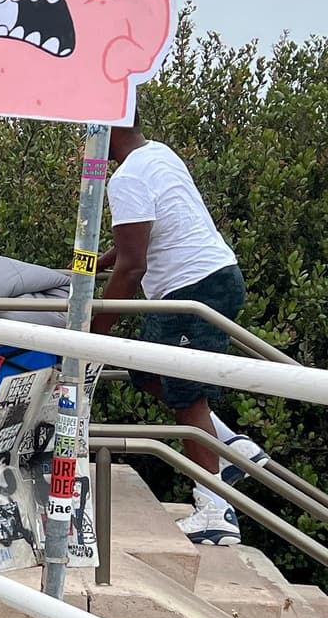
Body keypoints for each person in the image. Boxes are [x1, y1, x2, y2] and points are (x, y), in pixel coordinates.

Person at [99, 114, 254, 546]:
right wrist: (98, 263)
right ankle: (231, 447)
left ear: (107, 127)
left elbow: (134, 267)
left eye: (90, 127)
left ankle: (214, 510)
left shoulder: (126, 177)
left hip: (192, 290)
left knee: (186, 395)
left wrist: (93, 334)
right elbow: (136, 240)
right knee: (146, 372)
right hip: (210, 279)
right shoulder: (158, 155)